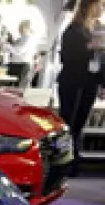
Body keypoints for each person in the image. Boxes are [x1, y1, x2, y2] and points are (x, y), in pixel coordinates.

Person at [58, 0, 105, 176]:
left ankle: (73, 160)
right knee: (68, 122)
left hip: (90, 83)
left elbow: (102, 59)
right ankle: (63, 162)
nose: (102, 8)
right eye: (99, 5)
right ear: (88, 7)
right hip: (72, 81)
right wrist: (90, 47)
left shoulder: (98, 28)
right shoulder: (73, 30)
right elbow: (66, 57)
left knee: (79, 124)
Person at [4, 20, 37, 87]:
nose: (19, 29)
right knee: (9, 87)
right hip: (14, 65)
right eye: (19, 27)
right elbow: (11, 50)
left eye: (21, 27)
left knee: (18, 88)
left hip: (22, 66)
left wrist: (7, 46)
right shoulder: (19, 39)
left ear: (26, 28)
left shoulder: (29, 39)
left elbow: (19, 51)